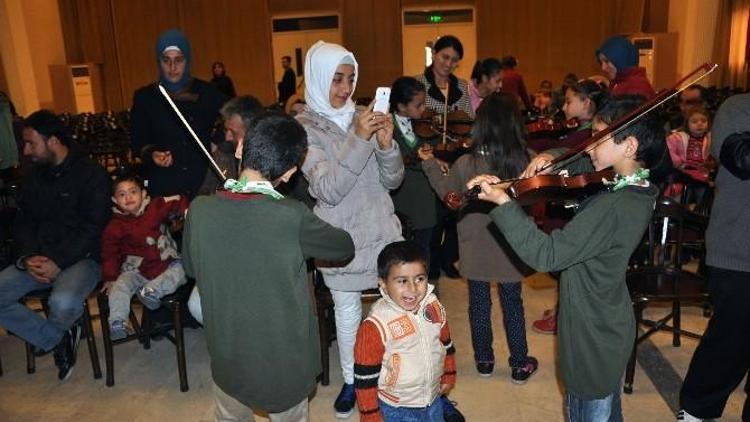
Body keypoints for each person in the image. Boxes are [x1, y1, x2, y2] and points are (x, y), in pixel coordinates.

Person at [468, 95, 666, 421]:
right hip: (605, 323)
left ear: (629, 146)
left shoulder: (613, 207)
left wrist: (503, 203)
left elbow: (547, 255)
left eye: (598, 137)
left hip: (592, 336)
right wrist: (550, 156)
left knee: (589, 411)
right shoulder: (635, 184)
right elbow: (583, 161)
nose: (588, 146)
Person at [183, 111, 355, 421]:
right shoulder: (291, 216)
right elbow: (343, 246)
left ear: (239, 148)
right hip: (282, 363)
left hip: (228, 355)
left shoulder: (199, 209)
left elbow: (192, 269)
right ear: (290, 172)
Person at [296, 41, 405, 419]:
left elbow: (393, 181)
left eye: (351, 79)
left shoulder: (365, 115)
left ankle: (381, 377)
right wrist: (359, 139)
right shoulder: (305, 129)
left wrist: (388, 146)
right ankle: (352, 380)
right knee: (346, 313)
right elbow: (327, 189)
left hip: (381, 228)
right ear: (318, 78)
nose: (345, 88)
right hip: (341, 237)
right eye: (337, 79)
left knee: (386, 310)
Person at [420, 92, 538, 383]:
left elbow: (448, 196)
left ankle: (484, 361)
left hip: (475, 247)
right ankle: (520, 364)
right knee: (513, 304)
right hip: (512, 245)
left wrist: (430, 164)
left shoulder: (465, 163)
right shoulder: (528, 161)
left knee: (479, 305)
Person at [0, 110, 110, 381]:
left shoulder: (91, 174)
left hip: (82, 258)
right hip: (38, 258)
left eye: (31, 143)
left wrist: (58, 260)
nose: (25, 151)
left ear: (52, 141)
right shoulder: (34, 177)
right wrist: (26, 258)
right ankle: (56, 338)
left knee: (61, 302)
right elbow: (23, 223)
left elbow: (94, 228)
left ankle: (57, 331)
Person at [678, 93, 750, 422]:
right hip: (739, 251)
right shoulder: (737, 108)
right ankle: (696, 411)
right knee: (729, 345)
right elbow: (741, 158)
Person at [530, 78, 609, 335]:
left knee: (567, 263)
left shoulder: (589, 135)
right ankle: (561, 308)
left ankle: (566, 314)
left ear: (587, 103)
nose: (564, 107)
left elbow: (568, 151)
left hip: (575, 205)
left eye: (568, 101)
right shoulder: (579, 131)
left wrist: (545, 150)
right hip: (566, 202)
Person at [353, 241, 457, 422]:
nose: (413, 288)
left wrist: (449, 373)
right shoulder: (376, 325)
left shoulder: (433, 305)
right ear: (383, 284)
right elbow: (364, 377)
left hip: (432, 399)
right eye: (402, 281)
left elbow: (446, 343)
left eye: (420, 279)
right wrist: (370, 415)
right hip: (396, 407)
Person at [131, 29, 226, 199]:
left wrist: (217, 143)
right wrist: (152, 153)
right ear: (158, 62)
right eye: (166, 61)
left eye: (178, 60)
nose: (172, 68)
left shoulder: (208, 92)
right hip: (165, 182)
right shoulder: (145, 97)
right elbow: (138, 141)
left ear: (187, 60)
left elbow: (229, 123)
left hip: (203, 180)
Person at [100, 173, 189, 340]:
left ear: (143, 194)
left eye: (133, 192)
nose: (128, 197)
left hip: (165, 263)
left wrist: (185, 210)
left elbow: (176, 199)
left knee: (182, 269)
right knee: (120, 285)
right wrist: (110, 277)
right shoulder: (115, 226)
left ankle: (152, 291)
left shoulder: (155, 207)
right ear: (114, 200)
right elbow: (109, 253)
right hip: (137, 270)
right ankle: (117, 321)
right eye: (122, 194)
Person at [388, 77, 439, 282]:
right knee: (401, 252)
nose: (423, 109)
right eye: (418, 105)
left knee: (424, 249)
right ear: (401, 106)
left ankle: (423, 290)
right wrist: (416, 156)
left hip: (425, 197)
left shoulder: (424, 126)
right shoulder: (386, 127)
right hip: (402, 195)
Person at [198, 95, 264, 196]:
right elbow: (205, 193)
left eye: (233, 132)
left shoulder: (270, 159)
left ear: (252, 132)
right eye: (226, 130)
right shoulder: (223, 153)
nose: (227, 137)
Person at [664, 107, 713, 207]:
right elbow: (668, 149)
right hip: (684, 175)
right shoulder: (677, 137)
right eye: (694, 121)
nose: (699, 124)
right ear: (687, 124)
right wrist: (680, 163)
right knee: (681, 201)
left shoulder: (711, 139)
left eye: (703, 121)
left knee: (703, 202)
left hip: (702, 176)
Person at [415, 35, 473, 117]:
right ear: (434, 54)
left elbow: (469, 118)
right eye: (445, 57)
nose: (448, 64)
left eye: (454, 60)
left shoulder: (462, 86)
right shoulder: (417, 83)